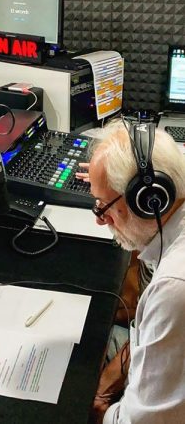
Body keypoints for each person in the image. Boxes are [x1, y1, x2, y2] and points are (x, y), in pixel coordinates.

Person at [87, 121, 185, 423]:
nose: (100, 220)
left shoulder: (174, 288)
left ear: (148, 200)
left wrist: (100, 413)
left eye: (103, 205)